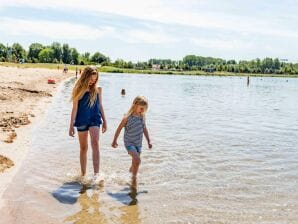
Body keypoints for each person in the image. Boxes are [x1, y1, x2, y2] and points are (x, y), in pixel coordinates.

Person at [69, 66, 107, 182]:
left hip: (95, 119)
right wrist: (71, 125)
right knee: (83, 147)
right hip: (81, 120)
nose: (92, 81)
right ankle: (83, 174)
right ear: (85, 77)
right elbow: (74, 108)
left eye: (94, 79)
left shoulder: (98, 89)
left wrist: (105, 121)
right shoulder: (78, 89)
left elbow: (100, 105)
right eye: (90, 79)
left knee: (95, 143)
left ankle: (96, 175)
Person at [111, 96, 152, 184]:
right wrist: (114, 140)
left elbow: (144, 129)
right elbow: (119, 129)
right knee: (137, 160)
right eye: (141, 108)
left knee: (134, 163)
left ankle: (128, 177)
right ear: (135, 105)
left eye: (144, 109)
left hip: (138, 144)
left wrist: (149, 141)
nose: (142, 111)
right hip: (129, 143)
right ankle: (134, 180)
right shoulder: (127, 117)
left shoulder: (142, 117)